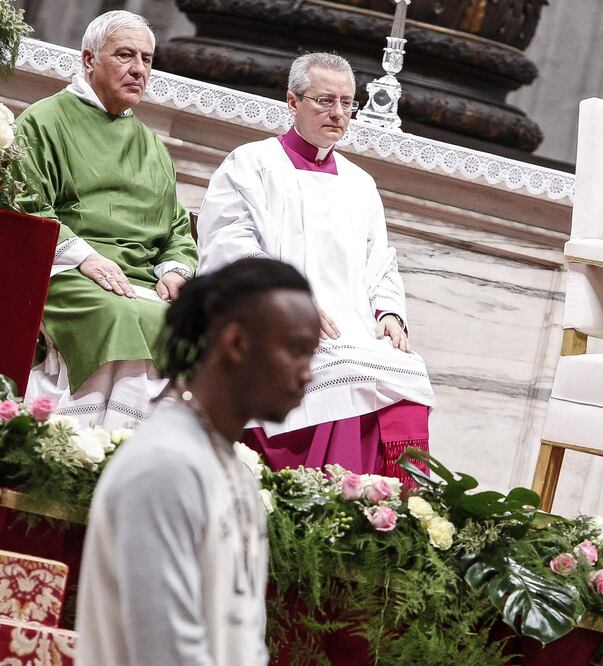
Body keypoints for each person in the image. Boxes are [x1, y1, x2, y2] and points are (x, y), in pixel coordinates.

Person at [197, 52, 434, 485]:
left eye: (347, 103)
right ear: (292, 101)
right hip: (271, 319)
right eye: (325, 101)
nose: (338, 113)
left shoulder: (360, 183)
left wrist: (391, 315)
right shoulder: (251, 164)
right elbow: (227, 247)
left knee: (405, 374)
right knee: (341, 374)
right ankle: (320, 498)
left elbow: (380, 262)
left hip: (350, 325)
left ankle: (379, 512)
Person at [75, 257, 320, 665]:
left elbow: (243, 640)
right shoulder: (165, 465)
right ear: (236, 343)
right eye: (297, 351)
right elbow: (166, 653)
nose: (307, 373)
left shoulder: (234, 469)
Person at [15, 10, 197, 429]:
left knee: (193, 325)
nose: (138, 69)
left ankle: (150, 455)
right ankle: (91, 444)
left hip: (141, 280)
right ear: (88, 59)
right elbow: (27, 207)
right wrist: (85, 258)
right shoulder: (44, 121)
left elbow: (175, 230)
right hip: (69, 271)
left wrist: (174, 271)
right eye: (125, 55)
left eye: (147, 59)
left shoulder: (152, 146)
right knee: (118, 315)